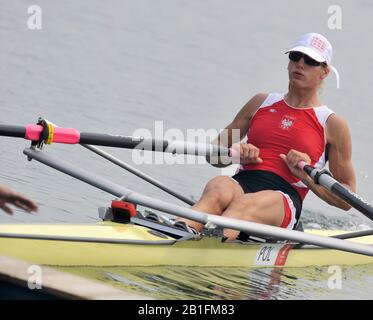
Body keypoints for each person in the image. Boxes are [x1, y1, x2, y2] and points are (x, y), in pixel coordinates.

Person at [176, 33, 356, 240]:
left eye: (310, 61)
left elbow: (347, 198)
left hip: (284, 198)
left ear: (324, 72)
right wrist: (234, 155)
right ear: (288, 64)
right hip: (242, 182)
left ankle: (211, 241)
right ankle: (180, 229)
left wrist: (306, 176)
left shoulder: (332, 124)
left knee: (243, 205)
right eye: (295, 56)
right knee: (218, 186)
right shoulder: (261, 102)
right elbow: (214, 154)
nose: (300, 64)